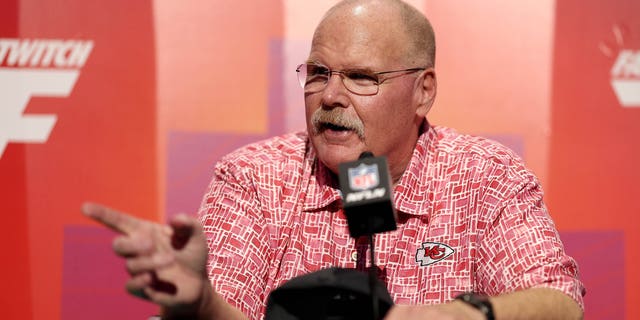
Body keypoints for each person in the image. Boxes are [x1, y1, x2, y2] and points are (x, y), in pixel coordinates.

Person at [83, 0, 585, 319]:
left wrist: (472, 314)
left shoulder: (486, 176)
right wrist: (200, 305)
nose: (330, 96)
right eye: (319, 72)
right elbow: (230, 309)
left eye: (362, 77)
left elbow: (560, 301)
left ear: (423, 92)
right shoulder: (255, 178)